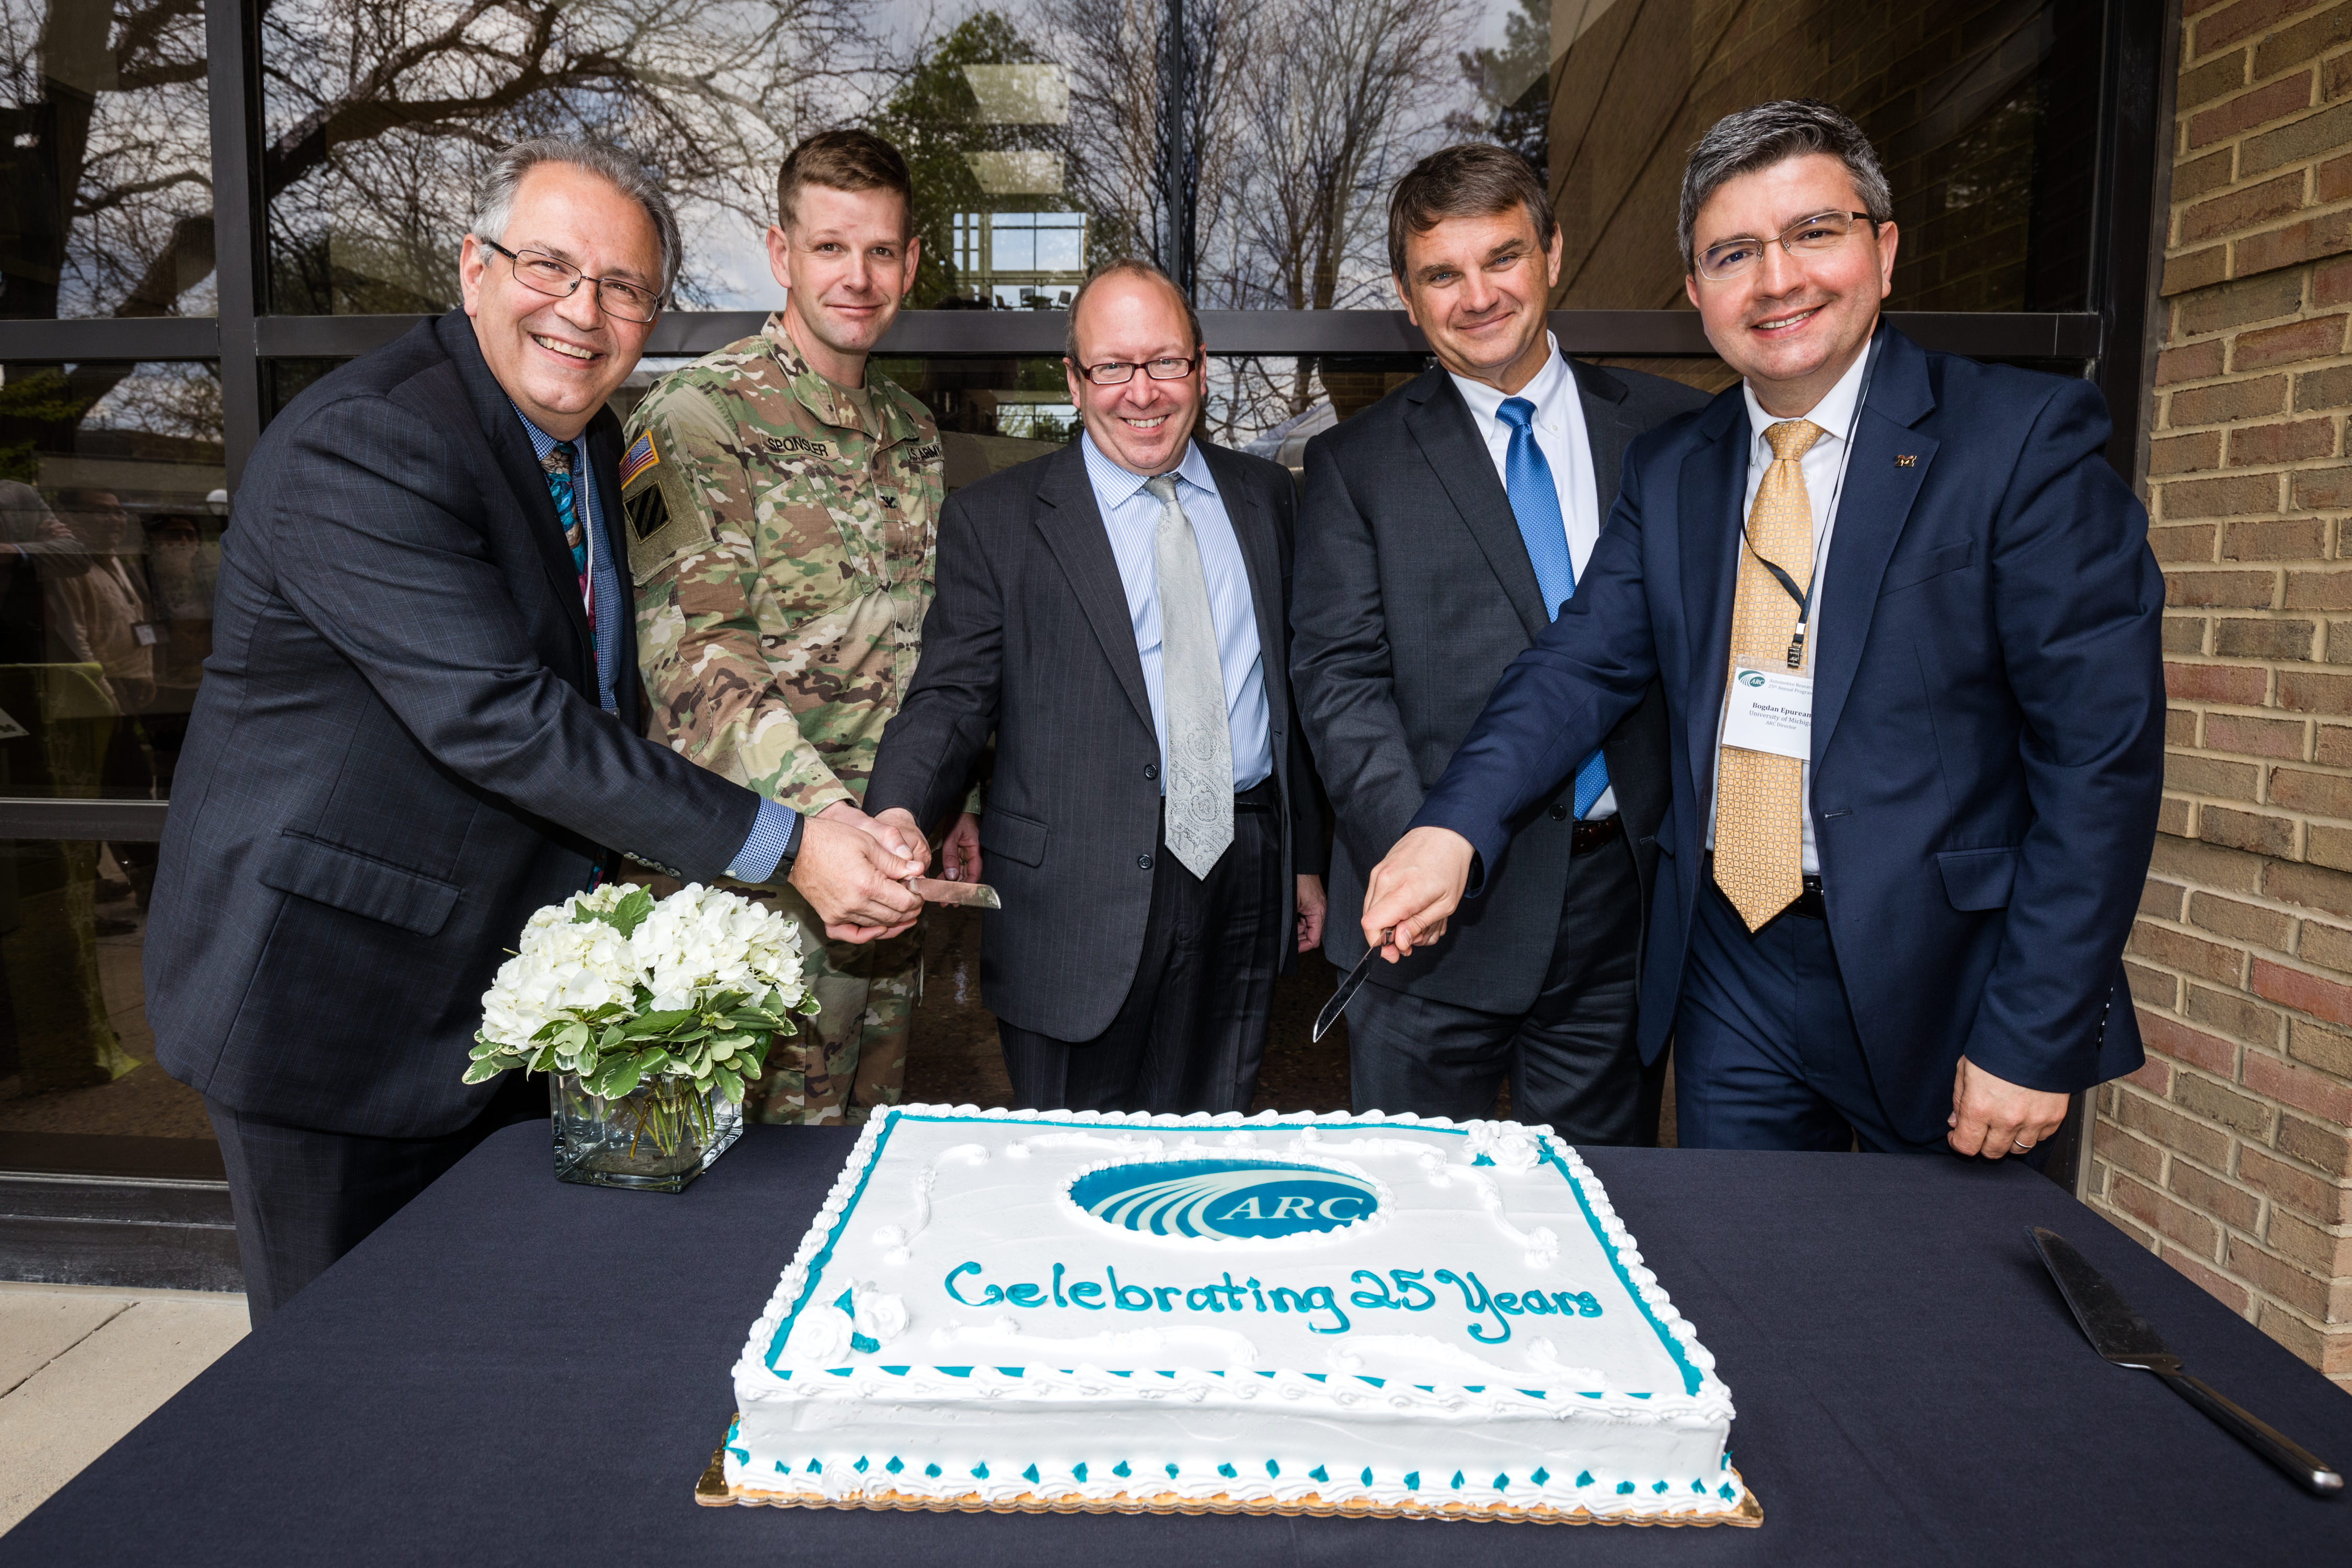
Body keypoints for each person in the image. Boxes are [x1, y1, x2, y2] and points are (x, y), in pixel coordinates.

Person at [144, 137, 925, 1324]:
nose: (583, 311)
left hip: (494, 1002)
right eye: (551, 267)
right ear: (473, 268)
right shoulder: (372, 443)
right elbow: (506, 719)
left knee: (488, 1352)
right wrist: (792, 841)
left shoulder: (592, 447)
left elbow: (611, 693)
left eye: (623, 289)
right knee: (336, 1383)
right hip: (333, 1003)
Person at [1357, 100, 2163, 1160]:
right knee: (1745, 1295)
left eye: (1813, 233)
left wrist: (2036, 1030)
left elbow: (2098, 759)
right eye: (1733, 253)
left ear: (1884, 249)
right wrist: (1452, 825)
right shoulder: (1677, 468)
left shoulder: (2021, 442)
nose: (1776, 280)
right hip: (1733, 971)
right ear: (1696, 292)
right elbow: (1580, 665)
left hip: (1949, 983)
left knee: (1945, 1317)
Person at [1292, 145, 1707, 1144]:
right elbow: (1339, 682)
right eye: (1442, 273)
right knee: (1416, 1212)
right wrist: (1425, 851)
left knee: (1595, 1208)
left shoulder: (1676, 431)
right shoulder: (1356, 463)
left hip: (1623, 903)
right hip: (1430, 926)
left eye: (1502, 258)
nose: (1477, 296)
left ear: (1553, 253)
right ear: (1406, 295)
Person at [866, 260, 1329, 1114]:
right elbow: (952, 695)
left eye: (1164, 363)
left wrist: (1304, 860)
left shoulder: (1265, 497)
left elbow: (1288, 683)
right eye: (1113, 367)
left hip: (1244, 865)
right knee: (1074, 1167)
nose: (1141, 392)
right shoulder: (997, 521)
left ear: (1200, 365)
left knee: (1216, 1139)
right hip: (1074, 895)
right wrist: (900, 809)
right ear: (1075, 383)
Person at [626, 129, 963, 1127]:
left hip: (892, 872)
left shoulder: (913, 434)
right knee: (747, 1190)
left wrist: (954, 799)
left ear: (909, 264)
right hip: (757, 885)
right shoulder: (692, 418)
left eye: (881, 252)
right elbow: (695, 662)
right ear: (781, 254)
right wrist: (824, 823)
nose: (857, 277)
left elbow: (930, 640)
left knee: (865, 1153)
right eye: (829, 248)